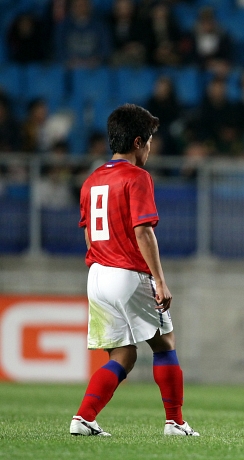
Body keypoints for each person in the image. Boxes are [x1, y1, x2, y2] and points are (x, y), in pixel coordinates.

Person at [70, 104, 199, 437]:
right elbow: (143, 231)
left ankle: (83, 417)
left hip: (97, 274)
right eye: (151, 141)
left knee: (123, 354)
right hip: (127, 273)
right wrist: (159, 280)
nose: (151, 149)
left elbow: (87, 232)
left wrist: (103, 257)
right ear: (139, 141)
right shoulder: (137, 177)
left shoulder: (92, 180)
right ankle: (175, 422)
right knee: (164, 343)